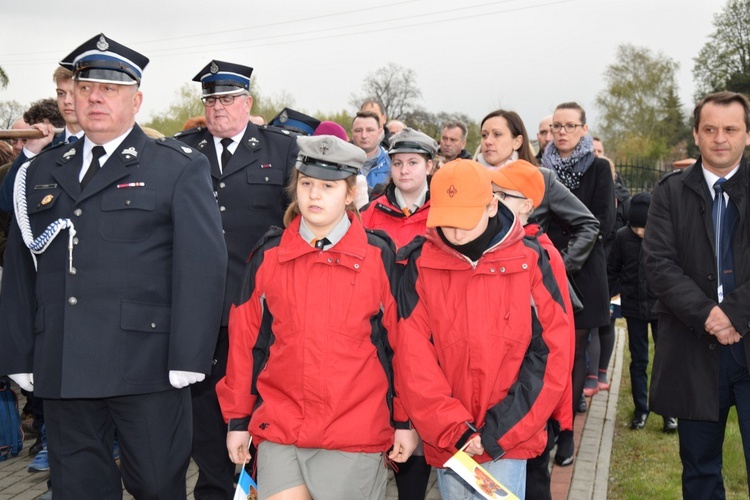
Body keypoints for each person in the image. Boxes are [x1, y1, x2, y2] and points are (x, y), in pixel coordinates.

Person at [0, 33, 227, 499]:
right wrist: (20, 352)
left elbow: (202, 265)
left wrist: (189, 354)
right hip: (63, 359)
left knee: (158, 485)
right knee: (77, 486)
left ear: (137, 100)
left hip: (146, 364)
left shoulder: (177, 166)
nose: (95, 97)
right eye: (85, 88)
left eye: (110, 89)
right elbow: (22, 268)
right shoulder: (43, 170)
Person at [217, 134, 417, 499]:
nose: (313, 195)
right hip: (281, 427)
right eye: (306, 184)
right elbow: (245, 345)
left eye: (327, 186)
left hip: (354, 431)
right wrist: (238, 419)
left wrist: (404, 420)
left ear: (350, 193)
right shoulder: (268, 256)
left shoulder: (379, 257)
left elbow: (403, 347)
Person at [394, 159, 570, 499]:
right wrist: (453, 429)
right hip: (450, 439)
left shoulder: (531, 261)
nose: (456, 232)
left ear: (492, 206)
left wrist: (496, 433)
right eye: (447, 221)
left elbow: (551, 356)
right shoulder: (420, 264)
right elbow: (413, 357)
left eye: (464, 220)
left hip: (507, 438)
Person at [174, 59, 299, 500]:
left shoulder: (282, 150)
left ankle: (264, 486)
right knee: (205, 404)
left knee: (262, 396)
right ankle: (213, 487)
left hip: (261, 305)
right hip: (202, 308)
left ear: (247, 103)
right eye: (210, 100)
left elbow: (296, 223)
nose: (217, 109)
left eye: (227, 99)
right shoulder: (183, 149)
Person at [643, 91, 750, 499]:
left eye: (730, 129)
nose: (719, 138)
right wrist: (709, 315)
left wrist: (734, 314)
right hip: (693, 348)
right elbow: (658, 264)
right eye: (710, 129)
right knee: (701, 472)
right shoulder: (669, 193)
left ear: (747, 134)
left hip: (748, 340)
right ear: (696, 134)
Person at [489, 159, 576, 500]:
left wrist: (561, 415)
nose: (491, 201)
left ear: (526, 205)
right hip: (503, 399)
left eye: (500, 194)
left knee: (534, 481)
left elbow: (559, 341)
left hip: (531, 401)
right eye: (489, 192)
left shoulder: (542, 255)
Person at [542, 102, 614, 466]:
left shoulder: (599, 167)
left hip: (583, 270)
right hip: (544, 266)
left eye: (570, 125)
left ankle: (567, 432)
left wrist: (566, 257)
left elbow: (602, 218)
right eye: (557, 126)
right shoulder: (539, 169)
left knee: (574, 355)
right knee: (546, 354)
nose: (563, 132)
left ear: (584, 129)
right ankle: (547, 427)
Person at [608, 192, 677, 433]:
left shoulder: (665, 235)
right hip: (634, 308)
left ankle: (669, 413)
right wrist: (607, 296)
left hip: (662, 309)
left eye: (644, 228)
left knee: (665, 360)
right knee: (639, 361)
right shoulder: (622, 238)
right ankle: (641, 410)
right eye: (636, 228)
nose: (640, 233)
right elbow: (612, 270)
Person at [360, 127, 437, 250]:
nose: (404, 171)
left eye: (412, 163)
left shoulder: (442, 213)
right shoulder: (369, 212)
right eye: (397, 163)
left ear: (428, 166)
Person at [351, 110, 391, 191]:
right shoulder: (341, 162)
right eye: (358, 130)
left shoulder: (392, 163)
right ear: (352, 133)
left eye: (370, 130)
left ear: (380, 133)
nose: (364, 136)